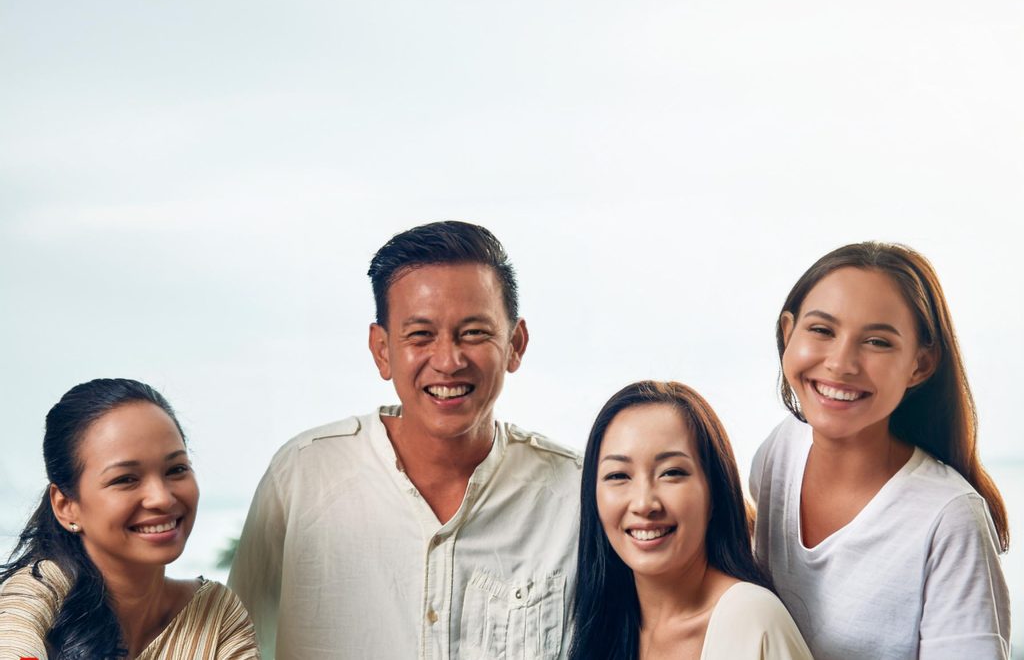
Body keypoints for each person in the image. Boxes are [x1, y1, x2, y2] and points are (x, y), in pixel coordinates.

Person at [229, 221, 582, 660]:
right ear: (382, 351)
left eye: (473, 332)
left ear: (515, 344)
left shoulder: (576, 495)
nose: (448, 361)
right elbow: (233, 642)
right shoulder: (302, 477)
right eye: (420, 335)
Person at [750, 242, 1012, 659]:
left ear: (920, 365)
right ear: (788, 333)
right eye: (821, 330)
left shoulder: (950, 519)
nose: (841, 363)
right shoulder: (779, 453)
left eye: (877, 341)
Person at [0, 378, 257, 659]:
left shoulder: (215, 612)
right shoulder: (38, 591)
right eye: (125, 479)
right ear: (66, 506)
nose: (161, 498)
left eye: (176, 469)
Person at [571, 380, 812, 660]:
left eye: (671, 472)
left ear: (714, 493)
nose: (644, 504)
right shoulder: (605, 625)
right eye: (618, 476)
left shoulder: (751, 619)